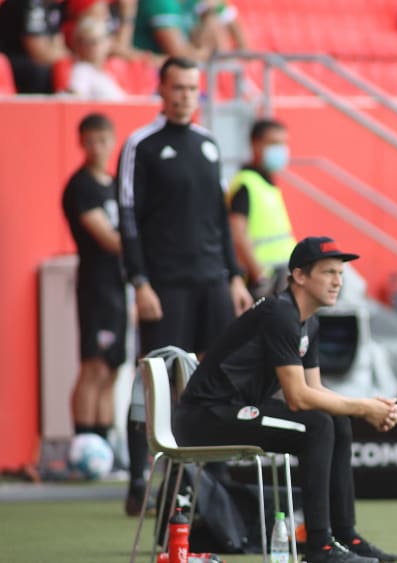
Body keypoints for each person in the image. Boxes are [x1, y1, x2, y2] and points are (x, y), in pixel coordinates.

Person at [174, 236, 397, 563]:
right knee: (317, 425)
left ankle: (345, 536)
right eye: (327, 272)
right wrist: (365, 408)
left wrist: (367, 405)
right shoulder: (279, 313)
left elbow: (316, 390)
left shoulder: (307, 320)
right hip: (205, 418)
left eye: (340, 273)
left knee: (334, 418)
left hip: (234, 411)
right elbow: (298, 398)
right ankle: (319, 546)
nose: (338, 281)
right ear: (299, 276)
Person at [117, 55, 253, 515]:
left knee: (213, 380)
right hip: (165, 285)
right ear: (162, 89)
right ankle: (140, 482)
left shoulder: (208, 144)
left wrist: (234, 275)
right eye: (177, 88)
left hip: (212, 282)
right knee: (155, 382)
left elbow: (218, 214)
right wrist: (139, 281)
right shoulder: (141, 144)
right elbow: (128, 219)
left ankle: (208, 479)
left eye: (192, 89)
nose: (185, 97)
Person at [61, 112, 127, 443]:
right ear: (82, 143)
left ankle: (104, 442)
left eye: (102, 140)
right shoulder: (81, 186)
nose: (97, 148)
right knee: (94, 365)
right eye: (90, 141)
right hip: (96, 284)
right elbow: (108, 239)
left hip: (119, 284)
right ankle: (84, 442)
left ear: (112, 141)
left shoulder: (115, 184)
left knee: (113, 367)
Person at [227, 118, 297, 299]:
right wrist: (259, 275)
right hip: (263, 278)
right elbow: (238, 234)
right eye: (274, 143)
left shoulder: (267, 181)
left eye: (283, 143)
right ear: (255, 144)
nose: (281, 149)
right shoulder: (246, 183)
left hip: (282, 271)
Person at [0, 0, 68, 93]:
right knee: (39, 71)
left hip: (33, 58)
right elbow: (37, 52)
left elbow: (58, 44)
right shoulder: (31, 4)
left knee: (71, 67)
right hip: (10, 58)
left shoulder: (54, 6)